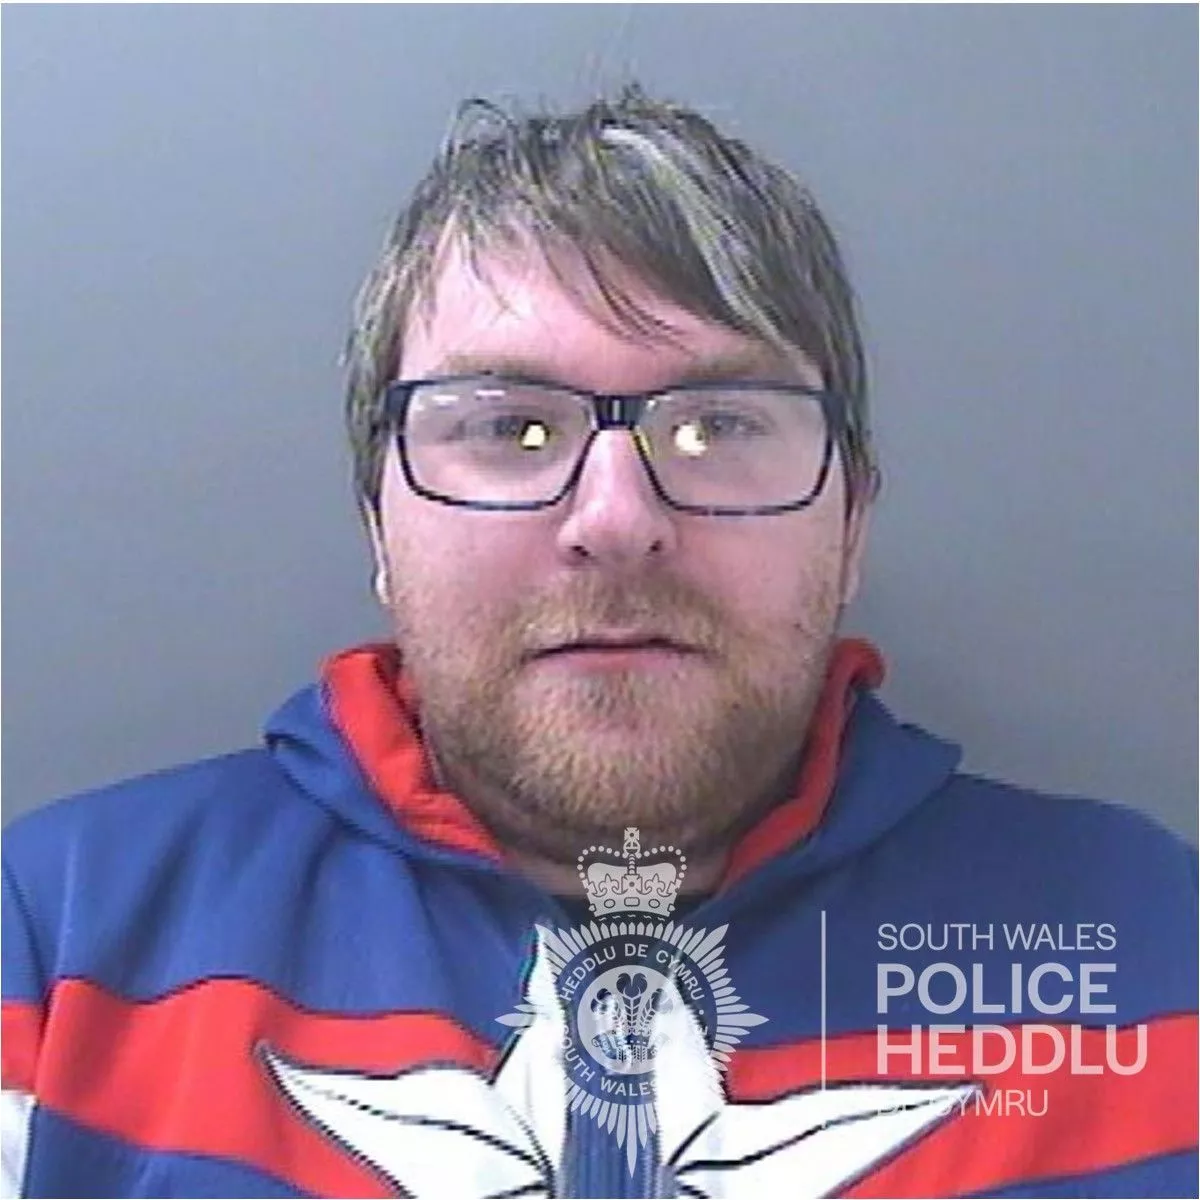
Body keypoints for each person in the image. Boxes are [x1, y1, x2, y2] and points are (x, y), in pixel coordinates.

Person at [2, 86, 1195, 1200]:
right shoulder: (55, 946)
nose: (617, 522)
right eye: (512, 429)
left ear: (851, 527)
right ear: (379, 525)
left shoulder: (1153, 946)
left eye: (718, 425)